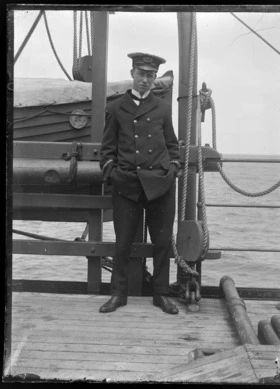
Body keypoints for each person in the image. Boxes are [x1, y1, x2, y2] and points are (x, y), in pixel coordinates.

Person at [99, 52, 182, 314]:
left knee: (162, 243)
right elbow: (106, 151)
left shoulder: (162, 107)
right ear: (132, 73)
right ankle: (118, 295)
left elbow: (172, 145)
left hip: (160, 184)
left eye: (150, 75)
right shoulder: (116, 107)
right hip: (127, 185)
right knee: (122, 243)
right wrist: (113, 172)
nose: (145, 80)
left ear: (154, 77)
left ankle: (161, 295)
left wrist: (174, 168)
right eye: (141, 74)